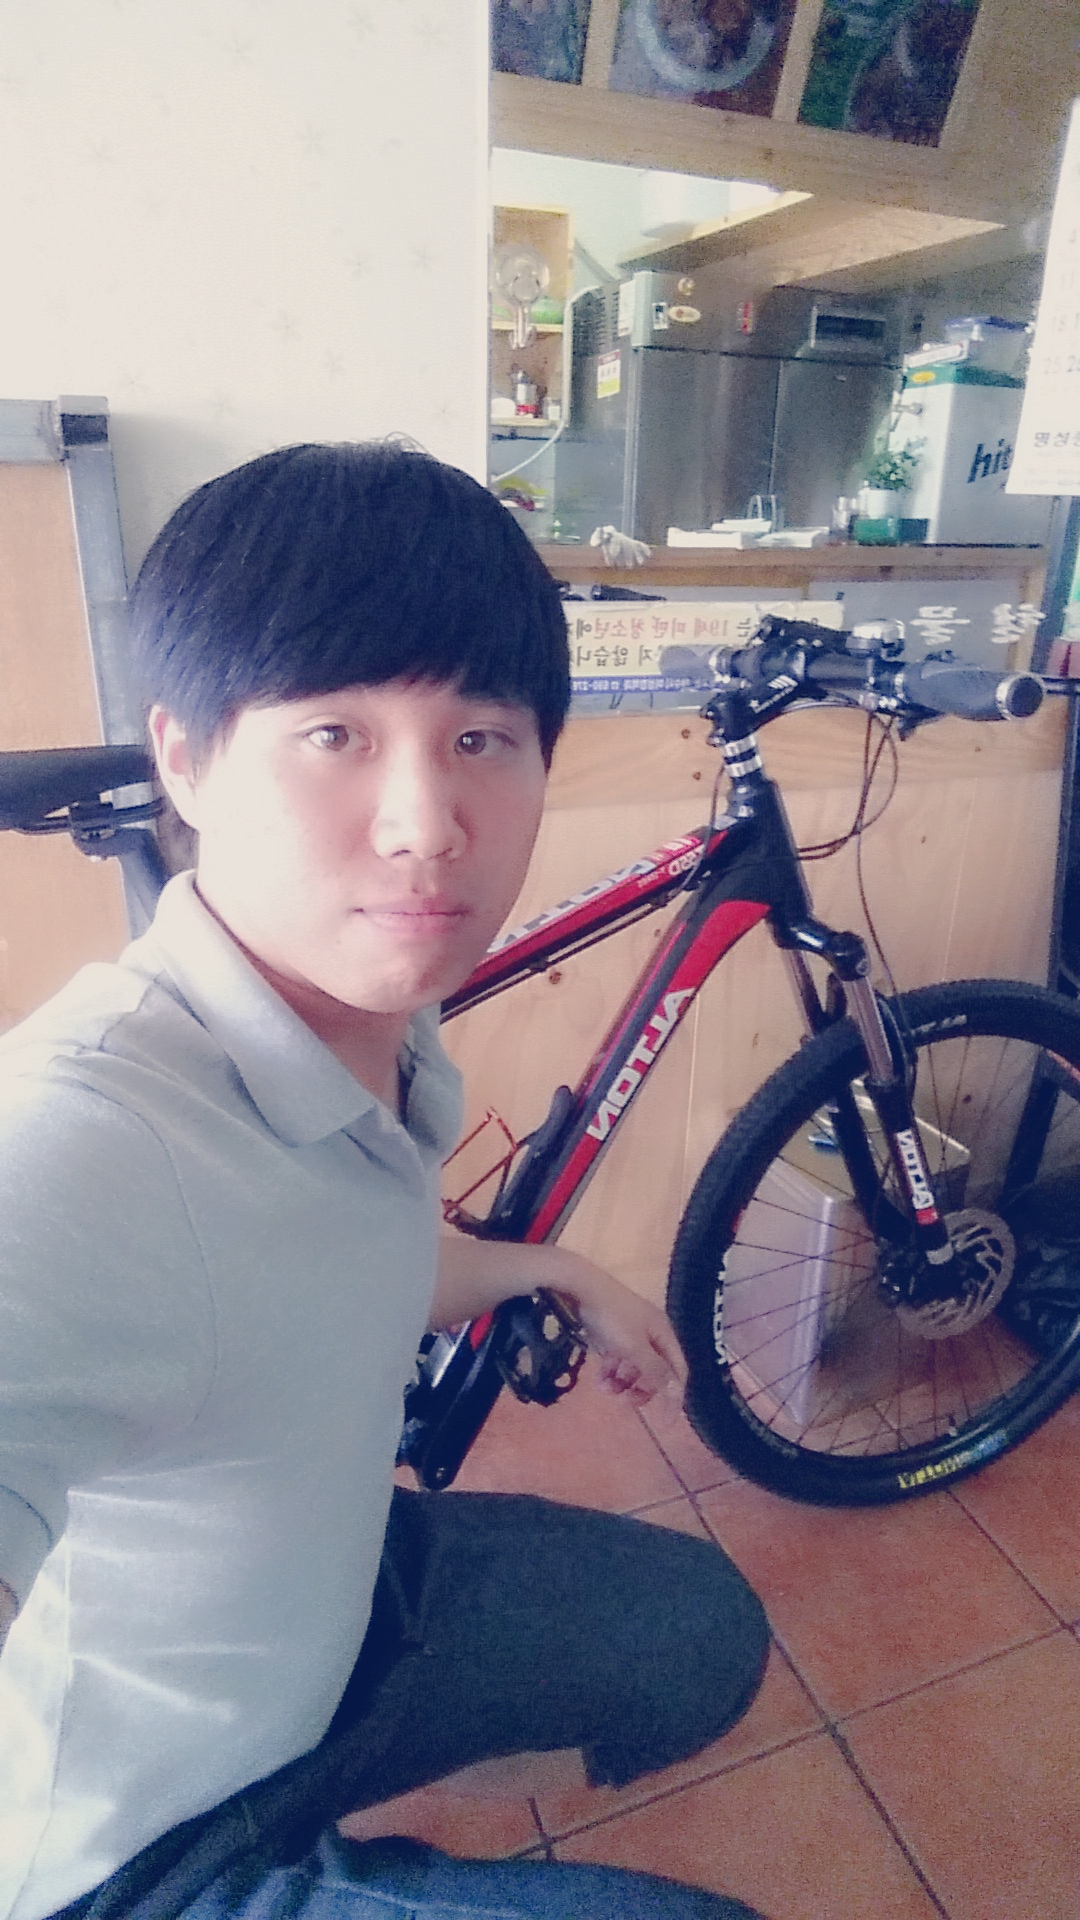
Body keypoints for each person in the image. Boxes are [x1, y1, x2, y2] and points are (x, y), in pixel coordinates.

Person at [0, 441, 770, 1920]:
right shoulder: (84, 1139)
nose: (427, 825)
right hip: (119, 1853)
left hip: (326, 1623)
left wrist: (549, 1269)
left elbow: (319, 1260)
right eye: (334, 733)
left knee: (701, 1634)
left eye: (481, 736)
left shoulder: (374, 1029)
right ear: (184, 760)